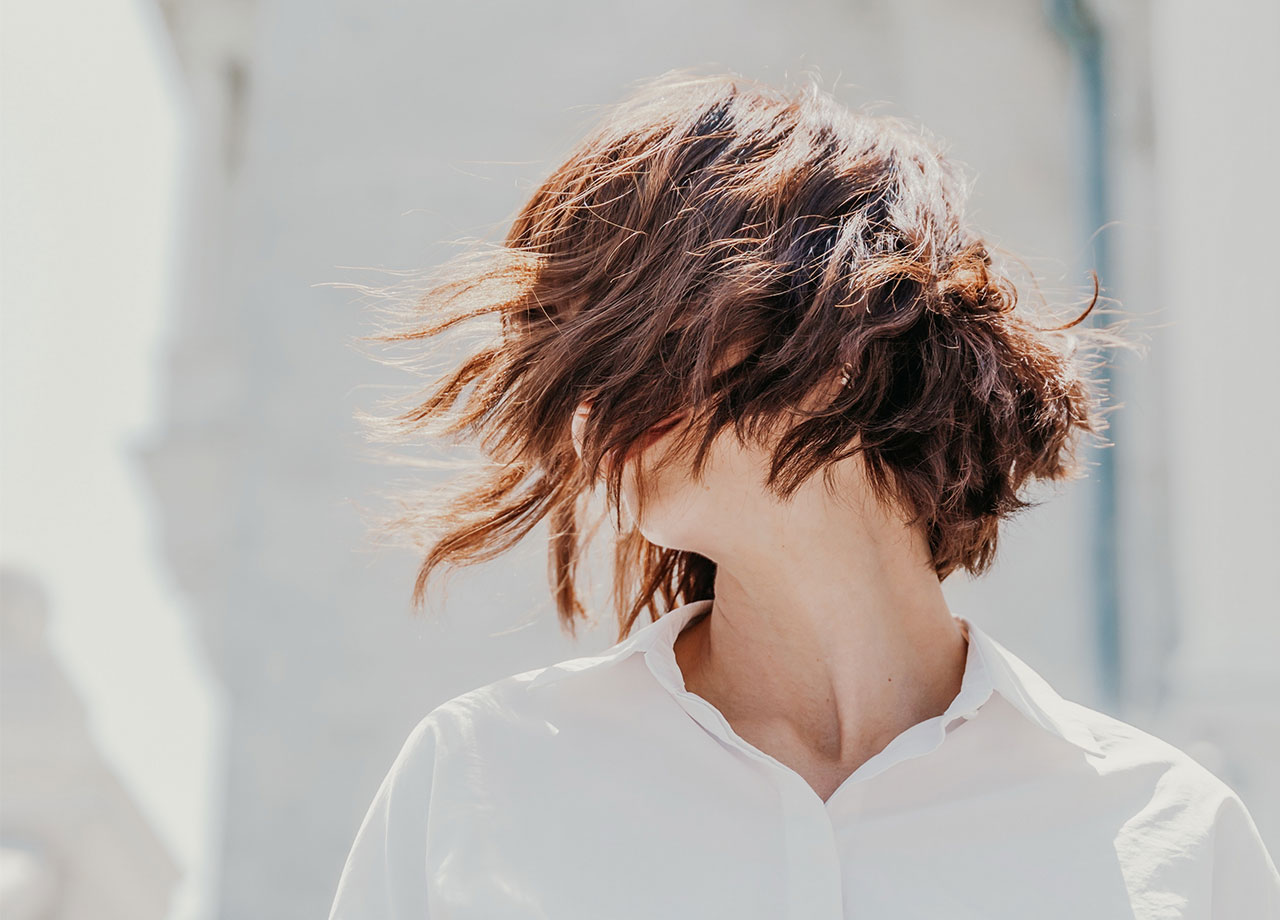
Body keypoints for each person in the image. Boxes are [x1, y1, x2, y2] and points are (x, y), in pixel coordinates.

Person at [328, 70, 1280, 919]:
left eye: (639, 337)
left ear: (849, 327)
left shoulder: (1169, 836)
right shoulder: (480, 780)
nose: (589, 403)